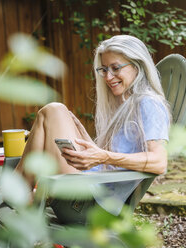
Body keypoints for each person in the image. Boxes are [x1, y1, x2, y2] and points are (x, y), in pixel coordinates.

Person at [15, 34, 171, 224]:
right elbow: (109, 161)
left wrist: (104, 156)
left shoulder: (148, 103)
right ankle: (21, 187)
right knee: (48, 114)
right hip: (85, 197)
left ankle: (20, 189)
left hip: (87, 207)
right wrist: (85, 138)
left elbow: (159, 162)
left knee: (54, 110)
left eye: (115, 68)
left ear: (137, 65)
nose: (108, 76)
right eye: (104, 70)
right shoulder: (128, 104)